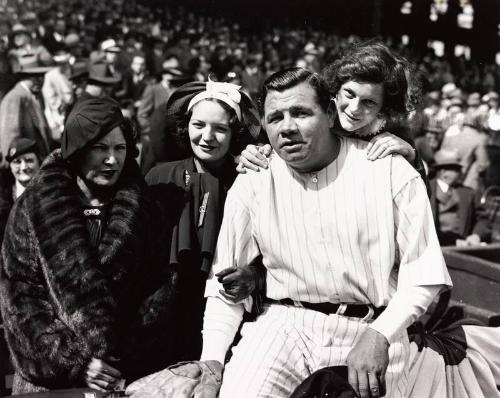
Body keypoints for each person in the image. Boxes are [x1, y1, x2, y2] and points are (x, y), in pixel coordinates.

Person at [127, 68, 451, 398]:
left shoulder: (389, 168)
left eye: (300, 113)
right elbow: (223, 285)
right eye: (275, 117)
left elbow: (424, 276)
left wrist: (381, 334)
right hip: (284, 324)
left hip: (373, 328)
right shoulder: (254, 176)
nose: (287, 127)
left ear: (329, 112)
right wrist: (212, 359)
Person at [0, 97, 176, 394]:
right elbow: (19, 296)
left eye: (120, 148)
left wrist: (121, 355)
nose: (112, 160)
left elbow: (160, 287)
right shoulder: (33, 207)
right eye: (100, 148)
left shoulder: (144, 209)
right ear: (77, 150)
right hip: (50, 382)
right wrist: (75, 363)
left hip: (124, 377)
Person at [145, 79, 264, 365]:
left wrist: (254, 275)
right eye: (198, 125)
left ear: (234, 133)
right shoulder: (159, 177)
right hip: (166, 322)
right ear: (185, 127)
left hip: (228, 312)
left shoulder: (249, 179)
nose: (207, 137)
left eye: (220, 128)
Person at [238, 42, 428, 193]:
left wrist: (411, 157)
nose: (354, 109)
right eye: (350, 94)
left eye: (368, 102)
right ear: (336, 88)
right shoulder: (315, 112)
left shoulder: (395, 130)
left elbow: (420, 198)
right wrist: (255, 152)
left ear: (384, 108)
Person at [0, 58, 53, 161]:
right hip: (24, 164)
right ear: (23, 78)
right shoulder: (15, 98)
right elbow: (10, 137)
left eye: (42, 76)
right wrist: (13, 163)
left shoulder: (33, 95)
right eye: (34, 77)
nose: (40, 82)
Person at [429, 149, 476, 246]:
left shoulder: (467, 193)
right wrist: (453, 241)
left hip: (462, 246)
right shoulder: (425, 189)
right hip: (434, 246)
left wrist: (476, 235)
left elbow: (482, 218)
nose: (461, 172)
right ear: (443, 171)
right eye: (457, 169)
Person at [0, 138, 41, 243]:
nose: (23, 167)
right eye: (17, 162)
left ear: (39, 162)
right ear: (10, 166)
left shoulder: (51, 192)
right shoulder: (4, 200)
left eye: (29, 160)